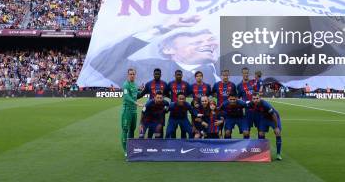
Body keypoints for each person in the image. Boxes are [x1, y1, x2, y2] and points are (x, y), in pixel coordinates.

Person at [88, 16, 219, 87]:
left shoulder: (229, 74)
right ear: (168, 49)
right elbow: (103, 62)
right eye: (196, 40)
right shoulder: (148, 69)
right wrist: (161, 28)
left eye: (211, 39)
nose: (209, 43)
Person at [248, 93, 282, 160]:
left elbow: (274, 115)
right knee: (261, 133)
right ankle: (262, 152)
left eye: (257, 98)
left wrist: (276, 127)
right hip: (264, 119)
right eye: (254, 99)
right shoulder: (251, 104)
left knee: (277, 133)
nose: (255, 100)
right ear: (252, 99)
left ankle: (278, 154)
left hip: (273, 118)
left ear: (260, 98)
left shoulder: (265, 104)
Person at [121, 68, 143, 155]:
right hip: (127, 110)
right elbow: (126, 97)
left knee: (132, 129)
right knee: (125, 130)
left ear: (135, 75)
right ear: (128, 75)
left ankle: (131, 147)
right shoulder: (126, 84)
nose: (132, 75)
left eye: (133, 74)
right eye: (130, 74)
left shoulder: (135, 84)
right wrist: (136, 103)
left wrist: (141, 91)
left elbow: (136, 95)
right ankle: (125, 150)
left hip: (134, 111)